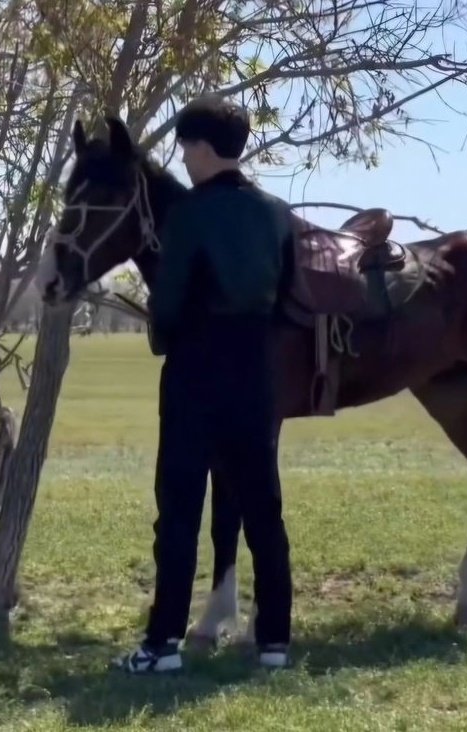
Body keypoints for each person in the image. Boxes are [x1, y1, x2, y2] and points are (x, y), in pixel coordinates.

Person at [116, 97, 295, 673]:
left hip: (196, 376)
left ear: (198, 147)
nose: (184, 160)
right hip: (256, 376)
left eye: (185, 149)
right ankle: (274, 643)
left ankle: (162, 645)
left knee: (180, 510)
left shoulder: (188, 215)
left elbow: (167, 306)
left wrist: (161, 326)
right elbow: (288, 297)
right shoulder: (276, 213)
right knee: (263, 508)